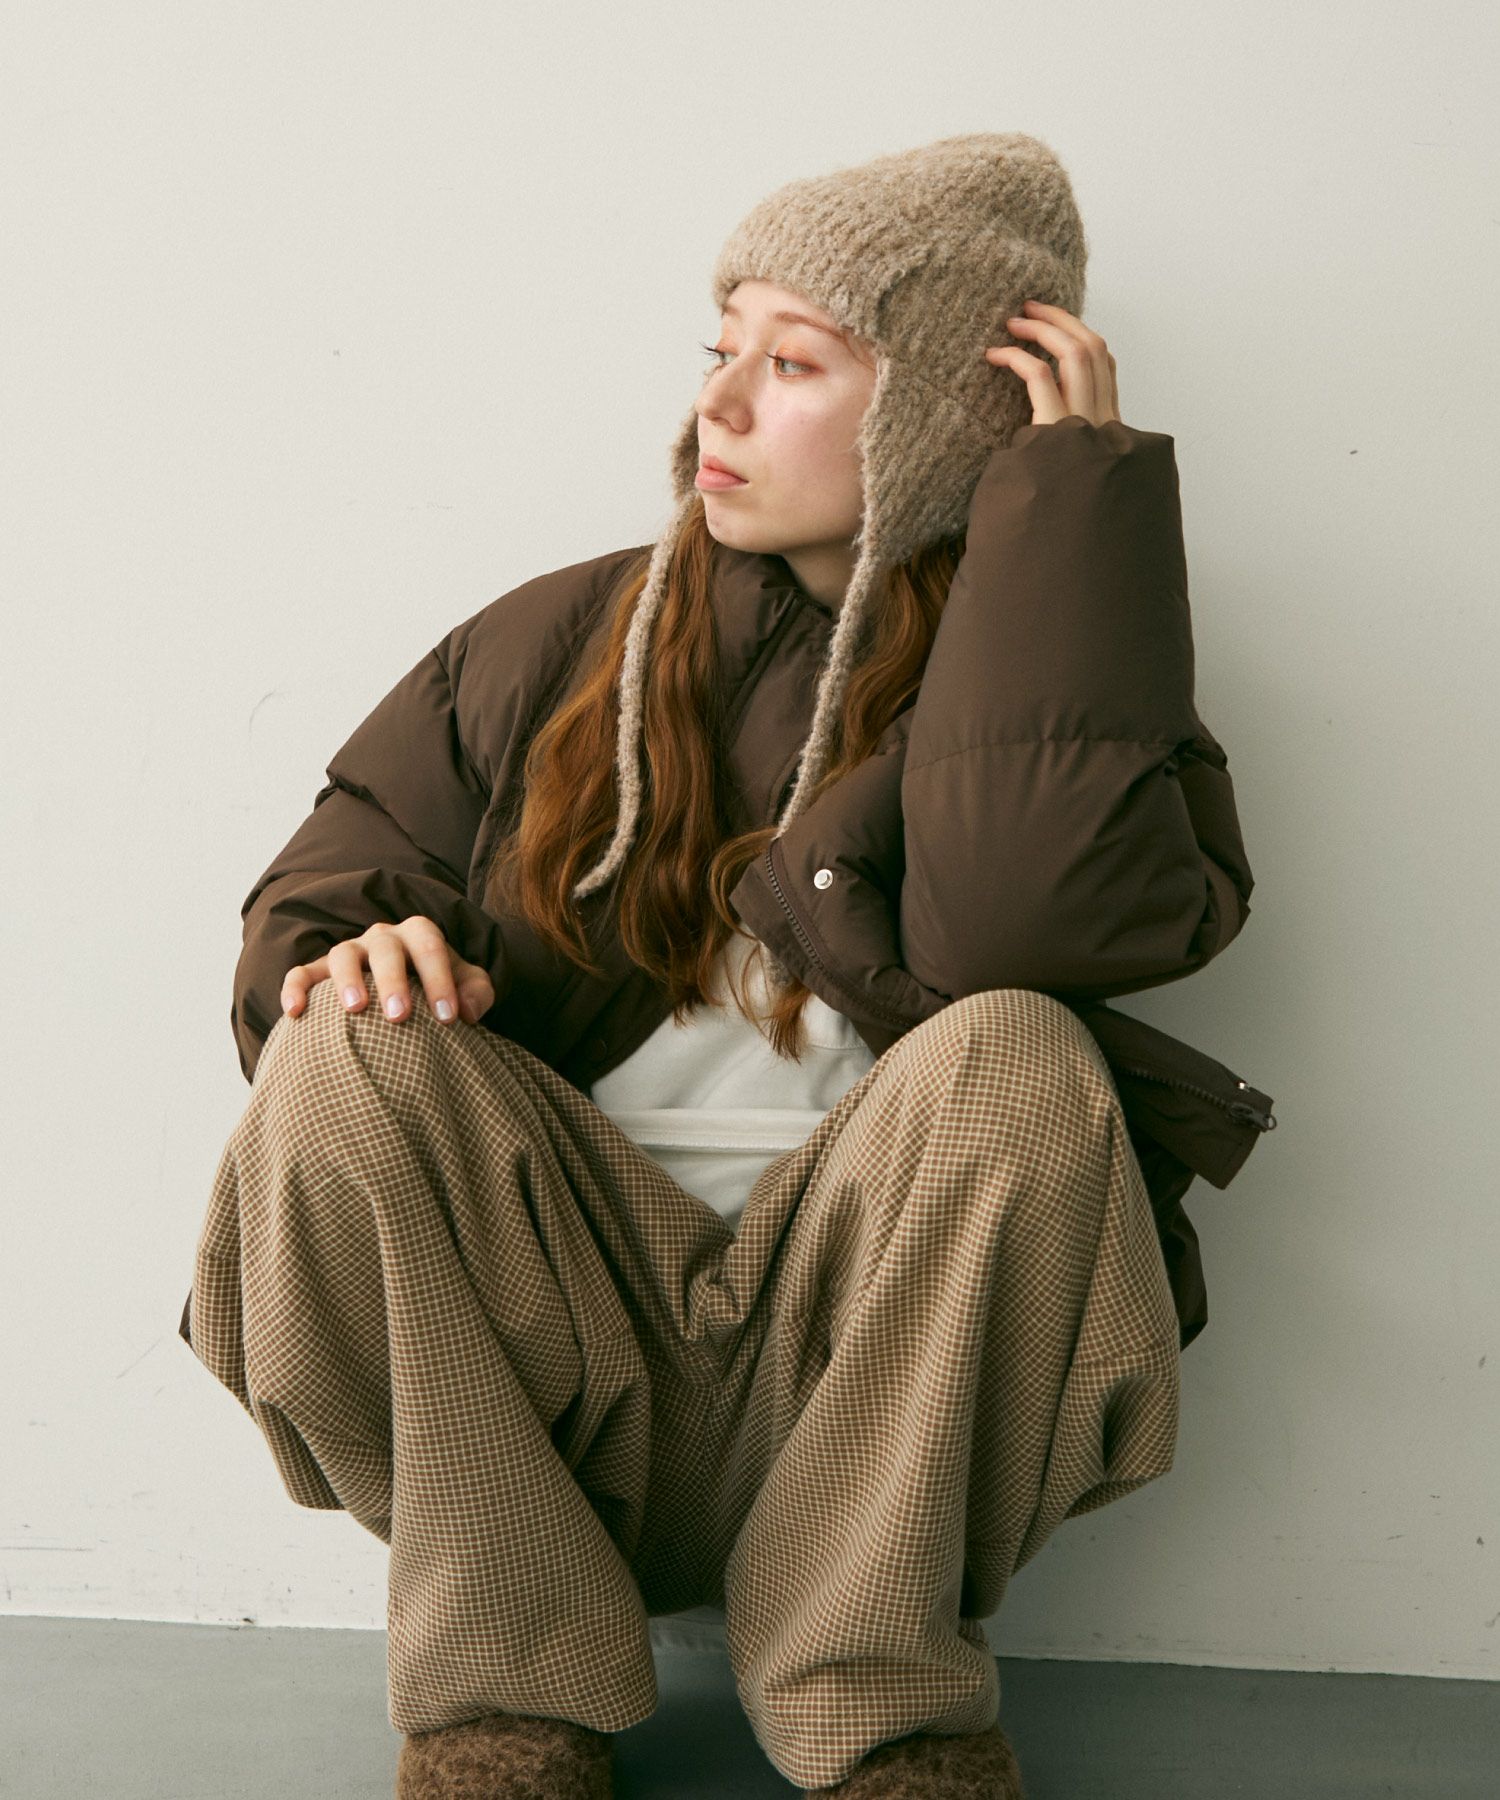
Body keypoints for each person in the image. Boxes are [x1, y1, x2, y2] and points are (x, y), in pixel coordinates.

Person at [178, 131, 1274, 1800]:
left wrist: (1063, 522)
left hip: (869, 1364)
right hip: (552, 1338)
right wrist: (347, 955)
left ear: (942, 411)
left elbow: (1030, 932)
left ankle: (876, 1689)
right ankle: (505, 1693)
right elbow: (328, 882)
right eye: (721, 349)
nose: (721, 403)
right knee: (339, 1051)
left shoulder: (1081, 665)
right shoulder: (559, 636)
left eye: (796, 363)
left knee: (1021, 1052)